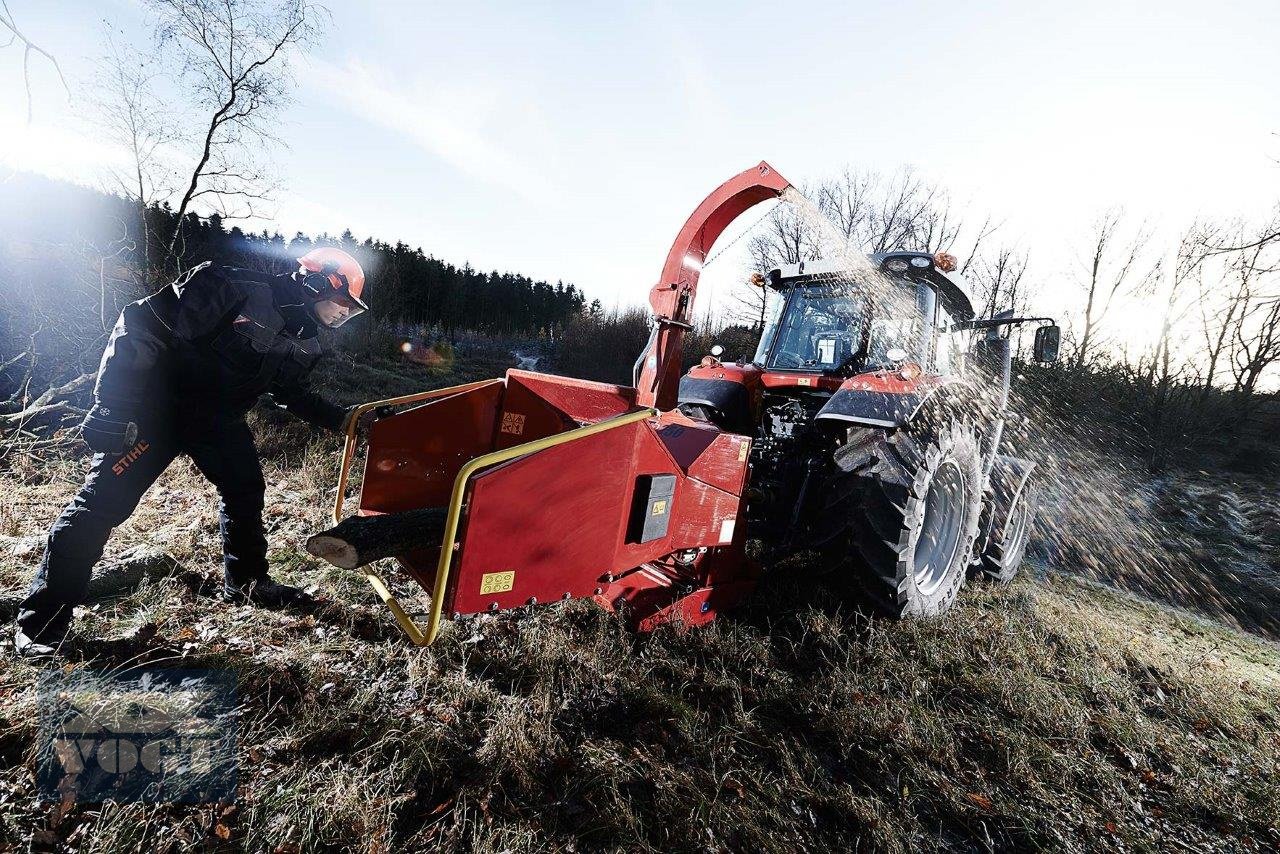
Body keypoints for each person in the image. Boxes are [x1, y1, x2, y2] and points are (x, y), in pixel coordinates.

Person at [13, 247, 370, 657]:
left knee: (245, 490)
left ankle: (247, 584)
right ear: (316, 281)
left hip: (218, 422)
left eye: (352, 310)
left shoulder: (306, 340)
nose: (344, 314)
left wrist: (345, 421)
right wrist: (112, 404)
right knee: (100, 506)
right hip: (154, 414)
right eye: (343, 302)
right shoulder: (231, 287)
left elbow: (292, 393)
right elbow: (141, 325)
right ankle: (39, 626)